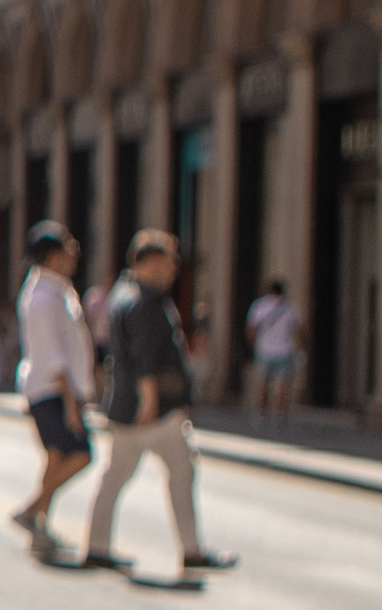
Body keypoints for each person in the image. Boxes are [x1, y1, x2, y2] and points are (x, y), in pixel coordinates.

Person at [85, 231, 238, 577]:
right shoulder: (146, 302)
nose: (173, 269)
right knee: (183, 471)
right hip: (150, 412)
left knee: (114, 478)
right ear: (151, 261)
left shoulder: (122, 295)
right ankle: (191, 551)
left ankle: (96, 547)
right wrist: (151, 401)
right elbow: (146, 358)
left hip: (126, 408)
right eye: (169, 261)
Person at [10, 221, 98, 561]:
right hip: (52, 390)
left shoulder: (56, 289)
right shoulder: (43, 297)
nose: (75, 252)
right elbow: (51, 355)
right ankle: (31, 511)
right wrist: (71, 402)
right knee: (79, 454)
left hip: (58, 390)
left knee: (58, 456)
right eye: (68, 247)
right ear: (52, 255)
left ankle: (38, 524)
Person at [245, 276, 305, 429]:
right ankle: (280, 415)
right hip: (284, 351)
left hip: (264, 350)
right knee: (283, 386)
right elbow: (297, 330)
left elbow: (251, 329)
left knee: (263, 384)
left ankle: (260, 414)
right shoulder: (290, 307)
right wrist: (301, 349)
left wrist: (252, 345)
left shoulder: (260, 305)